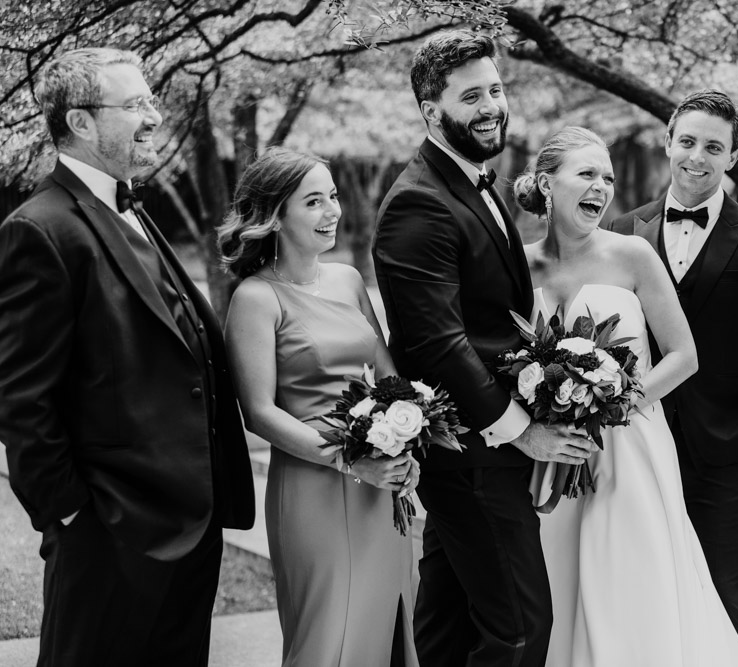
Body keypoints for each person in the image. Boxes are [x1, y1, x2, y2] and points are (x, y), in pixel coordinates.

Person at [0, 48, 255, 666]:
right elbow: (21, 399)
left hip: (191, 525)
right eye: (136, 104)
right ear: (81, 122)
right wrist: (71, 514)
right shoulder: (39, 230)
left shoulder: (129, 206)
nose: (154, 117)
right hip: (109, 534)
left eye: (151, 101)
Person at [372, 30, 596, 667]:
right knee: (520, 629)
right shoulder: (419, 201)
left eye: (496, 89)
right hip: (474, 450)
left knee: (449, 619)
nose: (492, 105)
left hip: (470, 453)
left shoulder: (476, 183)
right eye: (471, 96)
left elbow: (494, 320)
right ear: (430, 111)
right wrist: (519, 430)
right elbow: (435, 340)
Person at [513, 125, 738, 666]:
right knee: (556, 577)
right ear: (547, 183)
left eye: (608, 178)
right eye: (586, 175)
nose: (601, 187)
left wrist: (611, 404)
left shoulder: (633, 254)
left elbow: (684, 356)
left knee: (628, 581)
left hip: (630, 444)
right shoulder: (516, 263)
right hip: (550, 449)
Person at [605, 89, 738, 667]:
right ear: (668, 143)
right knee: (651, 582)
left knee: (731, 581)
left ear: (734, 156)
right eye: (687, 142)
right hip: (642, 440)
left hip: (731, 440)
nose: (697, 156)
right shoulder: (625, 230)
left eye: (713, 147)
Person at [220, 147, 419, 666]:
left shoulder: (350, 280)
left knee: (393, 626)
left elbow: (390, 375)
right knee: (327, 635)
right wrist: (353, 458)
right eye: (313, 201)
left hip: (384, 482)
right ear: (275, 216)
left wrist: (408, 437)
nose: (333, 210)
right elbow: (260, 412)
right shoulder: (256, 299)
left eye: (332, 196)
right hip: (314, 487)